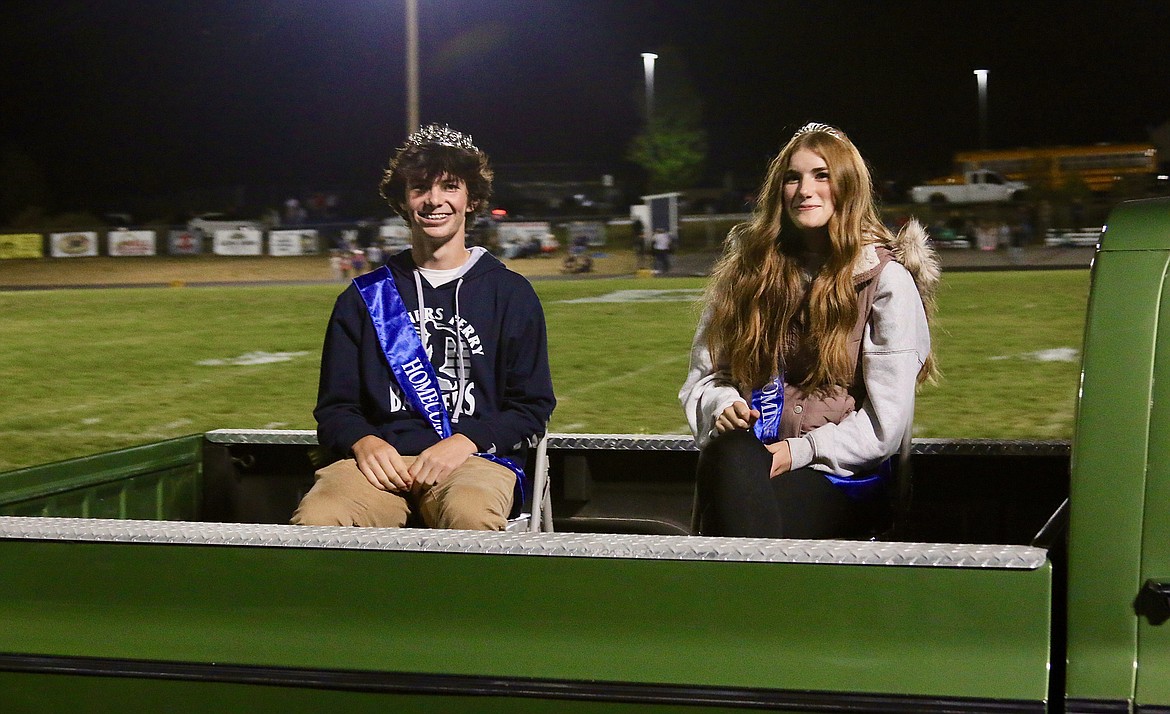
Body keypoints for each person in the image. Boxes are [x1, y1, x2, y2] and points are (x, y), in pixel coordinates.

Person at [679, 122, 938, 539]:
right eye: (792, 178)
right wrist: (723, 404)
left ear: (848, 187)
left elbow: (884, 425)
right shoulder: (747, 274)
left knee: (747, 508)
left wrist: (800, 450)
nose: (805, 190)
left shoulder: (886, 282)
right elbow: (707, 378)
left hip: (841, 475)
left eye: (822, 176)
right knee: (728, 454)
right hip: (751, 461)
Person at [292, 124, 555, 530]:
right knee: (320, 518)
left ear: (472, 199)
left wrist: (464, 442)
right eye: (419, 188)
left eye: (450, 187)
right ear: (403, 200)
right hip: (381, 466)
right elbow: (335, 408)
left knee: (469, 517)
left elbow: (531, 407)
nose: (435, 200)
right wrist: (365, 442)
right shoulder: (363, 298)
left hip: (474, 460)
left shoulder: (511, 294)